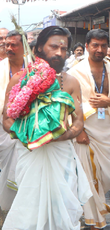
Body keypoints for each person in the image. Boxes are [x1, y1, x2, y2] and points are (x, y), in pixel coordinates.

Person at [2, 26, 91, 229]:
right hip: (30, 152)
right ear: (39, 49)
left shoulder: (71, 82)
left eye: (63, 49)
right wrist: (29, 135)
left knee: (63, 209)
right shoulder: (20, 80)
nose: (59, 53)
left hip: (62, 153)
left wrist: (62, 135)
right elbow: (6, 119)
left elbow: (78, 122)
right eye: (53, 47)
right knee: (30, 206)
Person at [68, 29, 110, 229]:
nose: (99, 49)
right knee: (87, 176)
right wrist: (79, 132)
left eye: (103, 45)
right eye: (95, 45)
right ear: (86, 46)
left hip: (108, 133)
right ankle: (94, 220)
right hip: (85, 131)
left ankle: (94, 212)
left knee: (109, 176)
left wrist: (109, 101)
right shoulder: (74, 72)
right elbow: (68, 107)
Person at [0, 30, 25, 212]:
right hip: (3, 126)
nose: (9, 48)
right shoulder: (1, 67)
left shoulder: (35, 68)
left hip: (28, 126)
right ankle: (5, 206)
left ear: (24, 46)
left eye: (13, 44)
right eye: (6, 45)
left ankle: (23, 204)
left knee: (25, 167)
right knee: (5, 166)